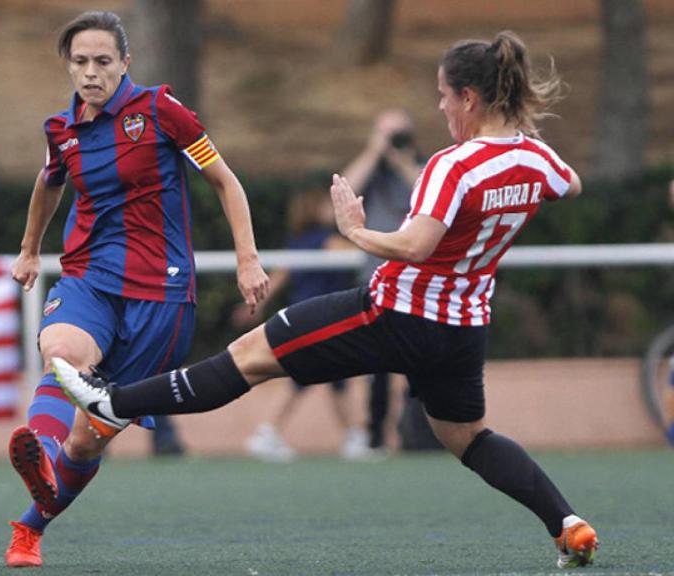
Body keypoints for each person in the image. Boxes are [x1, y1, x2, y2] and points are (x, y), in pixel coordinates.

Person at [53, 31, 600, 569]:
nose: (440, 107)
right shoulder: (535, 158)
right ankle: (567, 524)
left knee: (248, 358)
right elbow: (570, 184)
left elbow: (415, 245)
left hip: (393, 312)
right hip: (461, 329)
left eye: (443, 96)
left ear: (469, 98)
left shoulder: (452, 165)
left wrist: (356, 231)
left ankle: (111, 405)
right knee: (470, 440)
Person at [5, 10, 269, 568]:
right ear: (68, 66)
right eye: (80, 62)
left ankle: (31, 527)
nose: (91, 73)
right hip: (89, 278)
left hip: (161, 297)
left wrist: (247, 260)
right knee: (61, 353)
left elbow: (224, 179)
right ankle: (41, 456)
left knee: (90, 437)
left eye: (103, 61)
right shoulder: (62, 130)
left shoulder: (161, 111)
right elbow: (48, 183)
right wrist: (30, 248)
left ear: (126, 63)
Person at [236, 187, 372, 461]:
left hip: (304, 318)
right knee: (303, 375)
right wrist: (358, 228)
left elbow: (278, 277)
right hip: (321, 319)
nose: (331, 210)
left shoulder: (297, 243)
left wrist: (257, 303)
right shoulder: (326, 240)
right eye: (325, 205)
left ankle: (354, 437)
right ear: (313, 209)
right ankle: (266, 433)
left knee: (336, 374)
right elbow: (361, 252)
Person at [341, 109, 425, 452]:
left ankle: (418, 436)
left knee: (420, 362)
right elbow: (342, 192)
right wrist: (374, 152)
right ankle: (375, 435)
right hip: (376, 276)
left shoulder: (428, 168)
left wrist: (403, 160)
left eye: (399, 133)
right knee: (377, 362)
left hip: (418, 278)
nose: (393, 141)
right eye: (387, 134)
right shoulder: (371, 171)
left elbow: (428, 195)